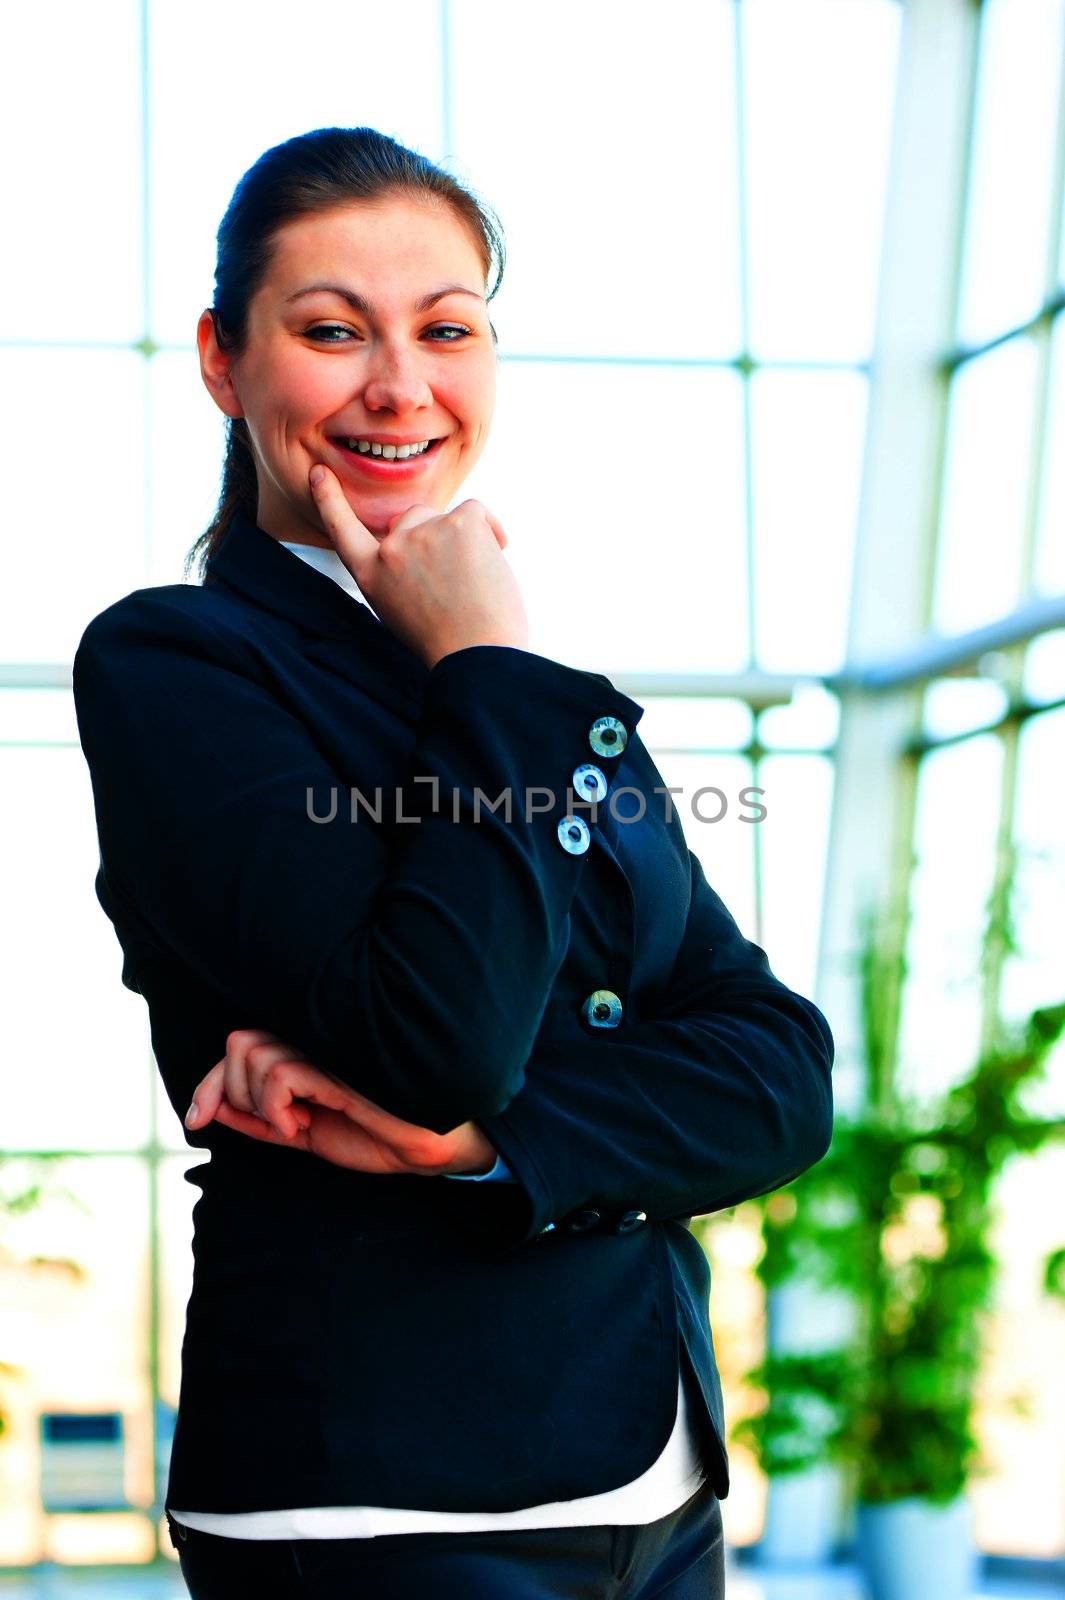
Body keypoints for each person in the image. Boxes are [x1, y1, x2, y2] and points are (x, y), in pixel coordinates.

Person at [72, 126, 835, 1598]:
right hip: (379, 1489)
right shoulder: (178, 663)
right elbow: (436, 1038)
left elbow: (777, 1072)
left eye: (447, 330)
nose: (399, 386)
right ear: (224, 362)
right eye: (330, 330)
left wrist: (491, 1148)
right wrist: (483, 656)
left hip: (649, 1466)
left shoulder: (537, 701)